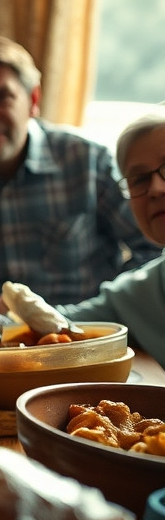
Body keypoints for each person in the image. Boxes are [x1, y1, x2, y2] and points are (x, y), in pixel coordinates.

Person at [0, 35, 159, 304]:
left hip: (89, 336)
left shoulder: (87, 160)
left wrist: (106, 308)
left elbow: (152, 250)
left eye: (2, 97)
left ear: (33, 99)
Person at [56, 113, 165, 359]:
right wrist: (16, 307)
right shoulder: (137, 293)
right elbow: (61, 323)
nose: (156, 189)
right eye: (139, 180)